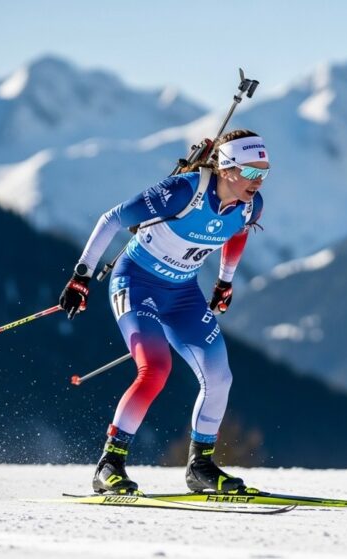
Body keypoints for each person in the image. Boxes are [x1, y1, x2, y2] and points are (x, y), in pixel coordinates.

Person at [59, 129, 268, 495]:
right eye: (251, 172)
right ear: (228, 168)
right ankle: (110, 465)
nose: (259, 180)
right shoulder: (185, 191)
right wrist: (81, 277)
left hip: (183, 293)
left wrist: (225, 281)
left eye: (264, 172)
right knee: (156, 369)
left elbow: (238, 231)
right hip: (137, 285)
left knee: (220, 376)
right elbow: (112, 219)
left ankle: (200, 466)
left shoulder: (251, 204)